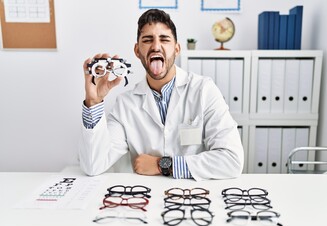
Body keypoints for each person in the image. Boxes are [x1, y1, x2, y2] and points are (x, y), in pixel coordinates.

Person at [79, 9, 244, 181]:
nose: (156, 46)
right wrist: (94, 101)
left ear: (177, 49)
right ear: (137, 50)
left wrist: (163, 164)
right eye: (147, 40)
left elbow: (232, 160)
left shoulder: (204, 91)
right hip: (146, 200)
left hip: (194, 198)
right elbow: (93, 165)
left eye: (164, 39)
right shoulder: (125, 104)